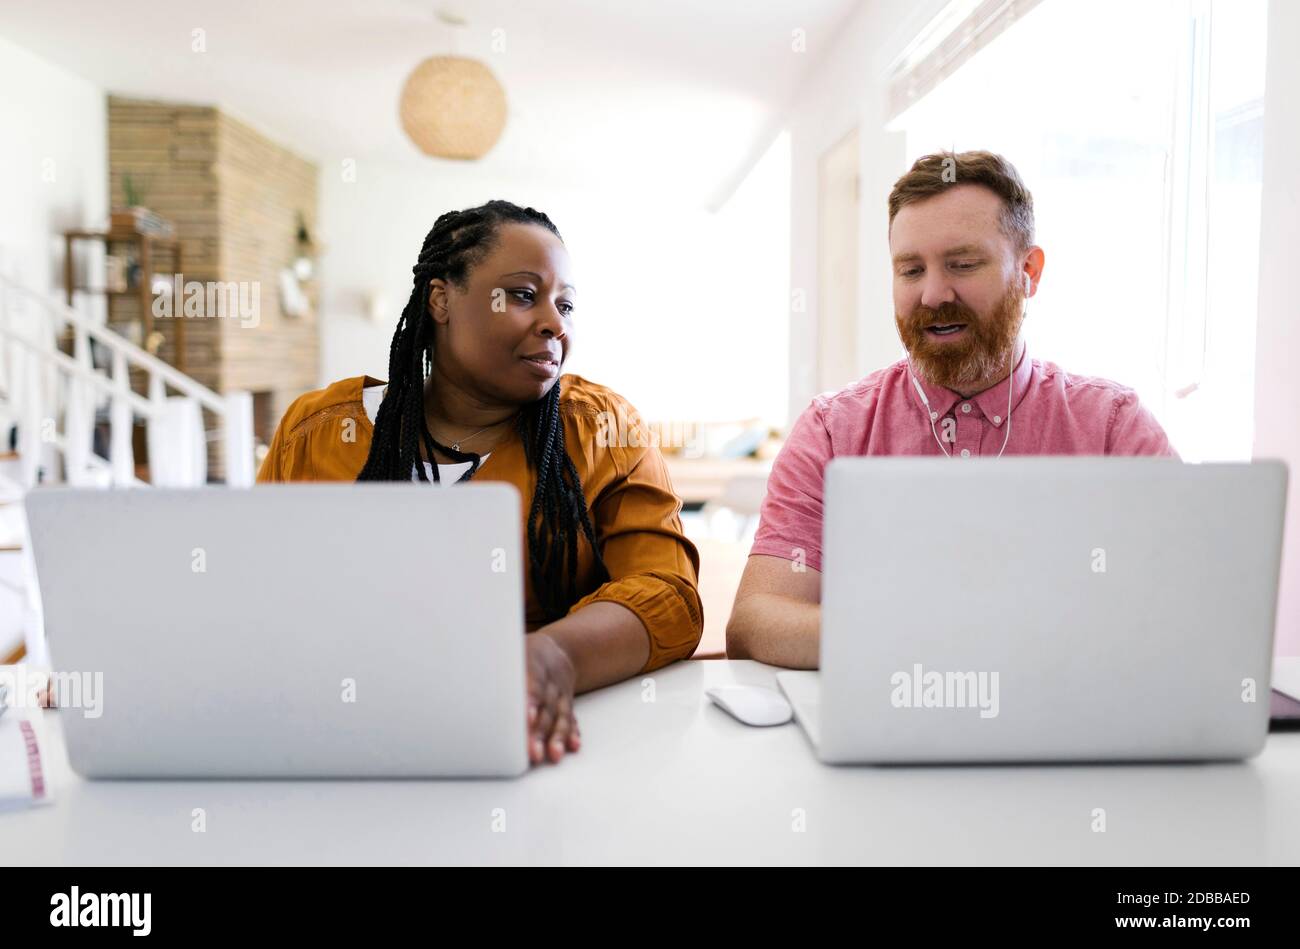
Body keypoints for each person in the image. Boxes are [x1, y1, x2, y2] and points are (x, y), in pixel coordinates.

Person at [259, 200, 702, 763]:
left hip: (541, 741)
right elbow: (265, 597)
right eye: (523, 295)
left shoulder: (600, 431)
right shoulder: (318, 434)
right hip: (345, 737)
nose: (554, 324)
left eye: (565, 305)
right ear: (441, 300)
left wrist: (553, 656)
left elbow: (669, 595)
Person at [727, 150, 1175, 669]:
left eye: (963, 265)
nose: (934, 294)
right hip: (889, 719)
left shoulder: (1111, 427)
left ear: (1029, 272)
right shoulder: (833, 430)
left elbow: (1183, 609)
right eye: (911, 270)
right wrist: (932, 638)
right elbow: (755, 623)